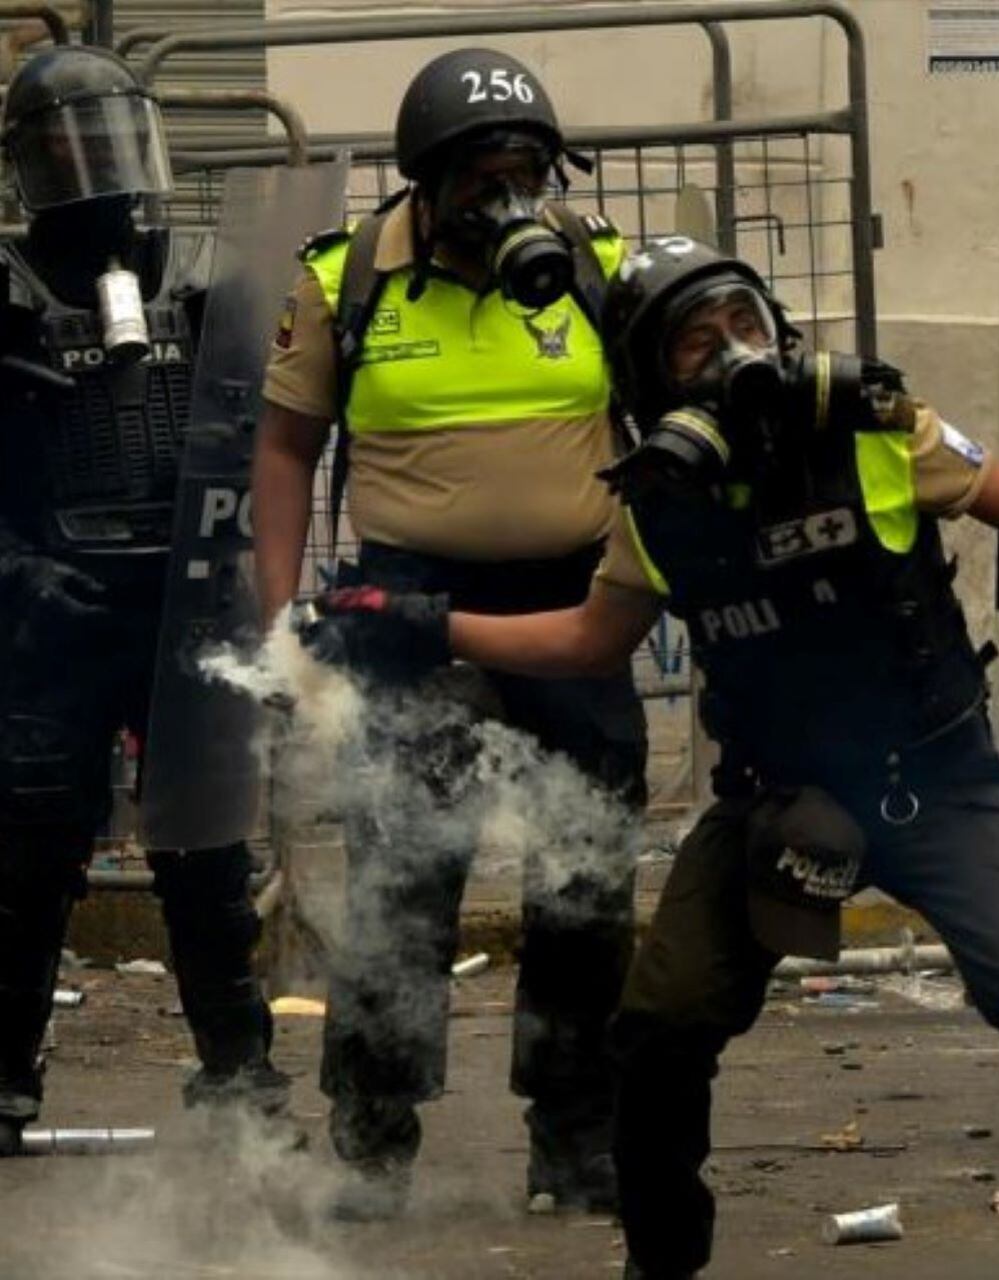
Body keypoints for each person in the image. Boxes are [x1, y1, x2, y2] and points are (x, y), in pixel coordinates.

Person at [295, 237, 999, 1278]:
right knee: (657, 1028)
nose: (732, 355)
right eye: (696, 341)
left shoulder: (875, 431)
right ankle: (662, 1260)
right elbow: (588, 638)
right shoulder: (660, 504)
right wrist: (426, 624)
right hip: (771, 798)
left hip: (937, 783)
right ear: (652, 380)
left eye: (744, 324)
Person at [251, 47, 644, 1218]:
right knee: (403, 875)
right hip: (405, 606)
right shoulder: (347, 280)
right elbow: (285, 449)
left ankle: (576, 1138)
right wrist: (280, 620)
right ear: (427, 181)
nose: (510, 199)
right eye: (484, 179)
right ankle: (374, 1146)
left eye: (528, 173)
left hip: (573, 601)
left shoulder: (594, 265)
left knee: (586, 877)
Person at [0, 45, 289, 1154]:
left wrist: (248, 574)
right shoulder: (9, 295)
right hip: (53, 616)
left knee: (207, 858)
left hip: (186, 599)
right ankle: (6, 1079)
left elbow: (269, 433)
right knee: (29, 860)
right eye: (67, 148)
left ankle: (240, 1074)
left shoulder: (209, 277)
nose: (98, 171)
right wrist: (22, 577)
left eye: (110, 139)